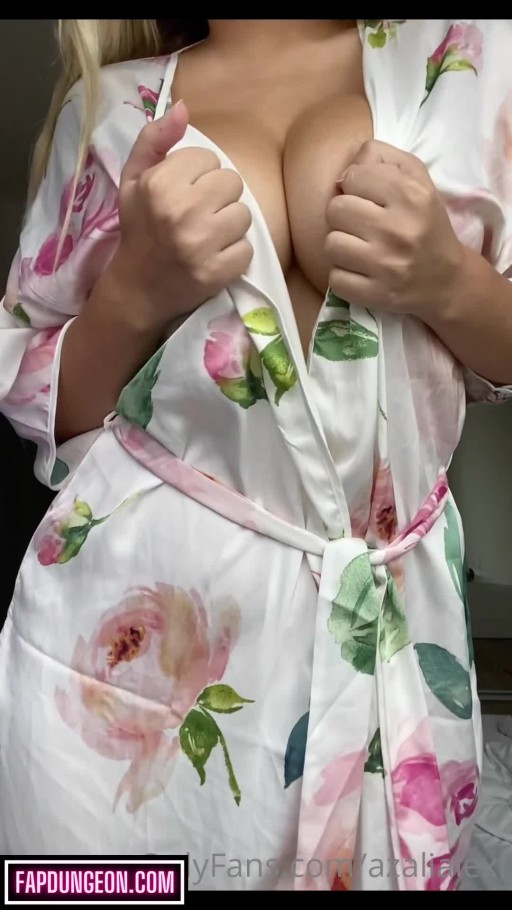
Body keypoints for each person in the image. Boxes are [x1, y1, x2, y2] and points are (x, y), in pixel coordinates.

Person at [0, 18, 511, 891]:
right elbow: (44, 406)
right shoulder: (111, 107)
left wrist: (450, 283)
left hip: (385, 625)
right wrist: (134, 292)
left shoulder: (472, 56)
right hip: (121, 677)